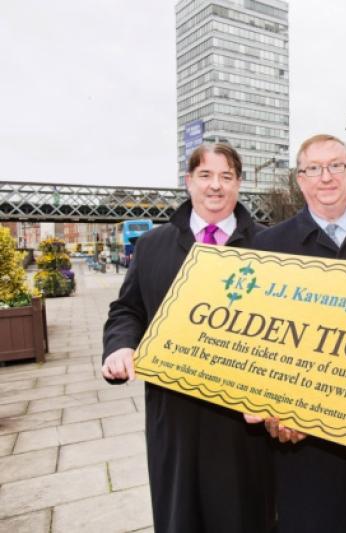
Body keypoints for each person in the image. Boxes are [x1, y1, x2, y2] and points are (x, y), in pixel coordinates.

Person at [101, 143, 275, 533]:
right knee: (181, 517)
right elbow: (127, 309)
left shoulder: (269, 246)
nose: (216, 186)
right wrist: (121, 345)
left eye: (226, 177)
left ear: (239, 184)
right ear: (188, 182)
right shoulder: (152, 245)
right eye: (206, 175)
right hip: (175, 415)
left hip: (244, 423)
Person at [250, 134, 346, 533]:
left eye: (336, 165)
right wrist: (270, 408)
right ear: (299, 180)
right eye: (314, 168)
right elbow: (256, 339)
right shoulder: (268, 246)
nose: (326, 177)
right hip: (301, 440)